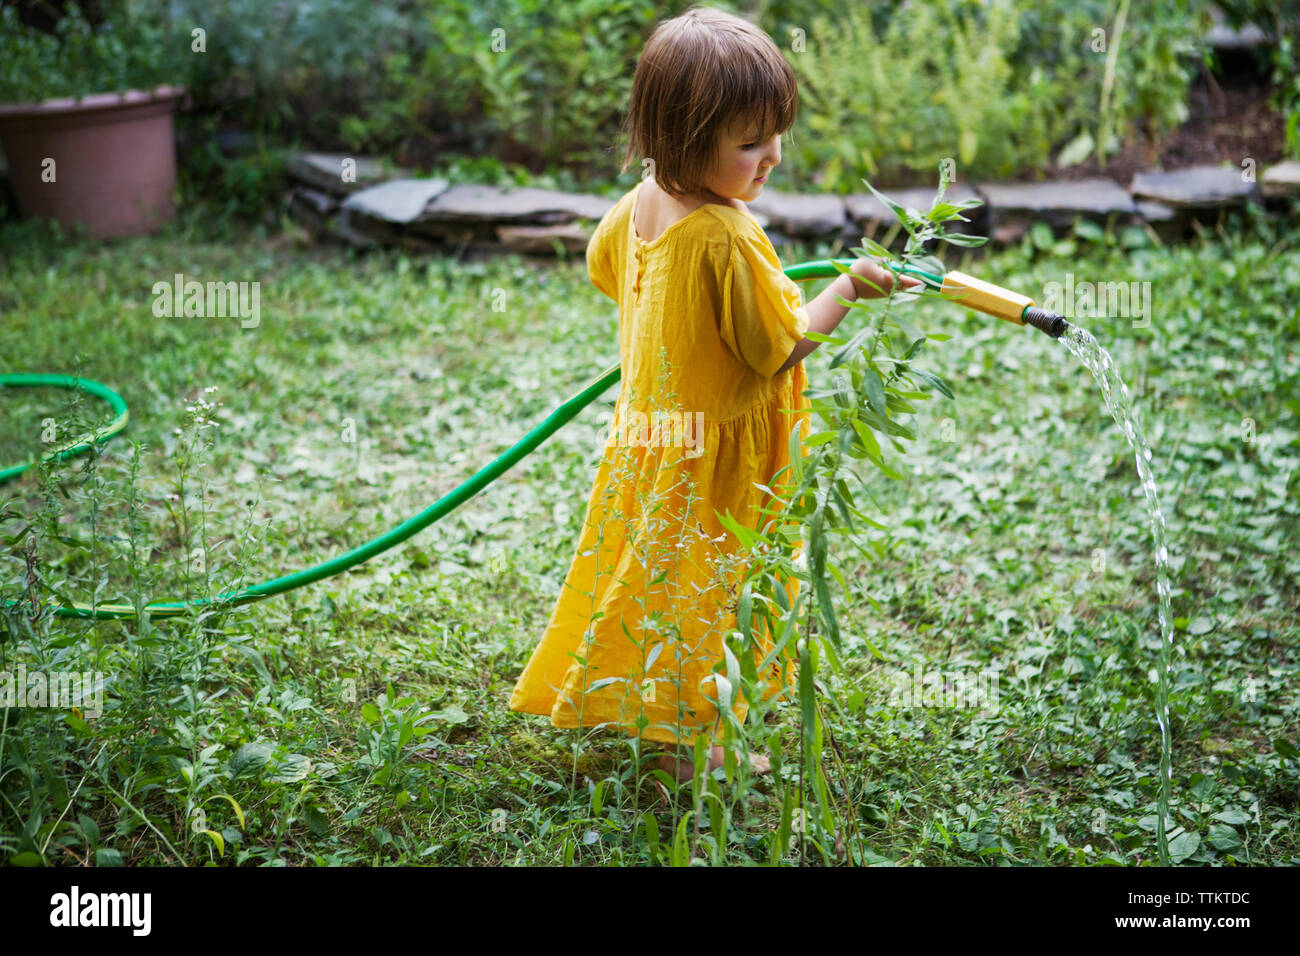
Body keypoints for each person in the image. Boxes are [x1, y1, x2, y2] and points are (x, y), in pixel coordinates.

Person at [507, 5, 917, 781]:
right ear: (684, 140)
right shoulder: (728, 235)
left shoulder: (642, 203)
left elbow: (605, 266)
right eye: (749, 143)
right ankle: (704, 741)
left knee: (653, 579)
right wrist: (848, 286)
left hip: (651, 440)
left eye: (775, 134)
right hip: (715, 456)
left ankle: (626, 699)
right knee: (714, 594)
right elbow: (780, 346)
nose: (772, 158)